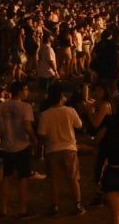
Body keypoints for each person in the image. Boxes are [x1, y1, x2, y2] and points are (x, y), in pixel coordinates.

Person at [0, 81, 36, 218]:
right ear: (19, 91)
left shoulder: (3, 105)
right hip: (22, 145)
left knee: (6, 177)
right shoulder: (26, 107)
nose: (27, 92)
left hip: (6, 146)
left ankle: (4, 209)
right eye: (25, 89)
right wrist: (34, 139)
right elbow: (27, 126)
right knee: (23, 178)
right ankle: (22, 210)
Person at [36, 84, 85, 216]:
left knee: (54, 180)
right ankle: (78, 205)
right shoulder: (70, 111)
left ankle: (55, 206)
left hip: (52, 149)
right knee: (73, 178)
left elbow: (41, 134)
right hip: (69, 148)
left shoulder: (45, 115)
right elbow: (79, 125)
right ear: (61, 96)